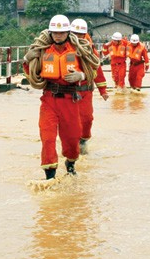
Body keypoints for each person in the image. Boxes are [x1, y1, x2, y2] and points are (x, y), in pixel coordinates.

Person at [23, 15, 100, 180]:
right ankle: (49, 176)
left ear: (67, 32)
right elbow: (31, 72)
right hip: (49, 99)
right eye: (55, 33)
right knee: (47, 138)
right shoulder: (42, 50)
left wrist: (81, 76)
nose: (58, 36)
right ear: (50, 33)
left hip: (70, 99)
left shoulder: (79, 50)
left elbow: (93, 70)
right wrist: (27, 58)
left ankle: (70, 164)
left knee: (72, 139)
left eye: (62, 32)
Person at [69, 19, 109, 154]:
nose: (78, 37)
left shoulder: (90, 49)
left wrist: (103, 90)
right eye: (75, 33)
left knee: (87, 119)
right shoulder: (63, 45)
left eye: (81, 34)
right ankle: (70, 147)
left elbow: (97, 69)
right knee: (68, 121)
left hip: (85, 91)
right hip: (67, 90)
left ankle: (83, 140)